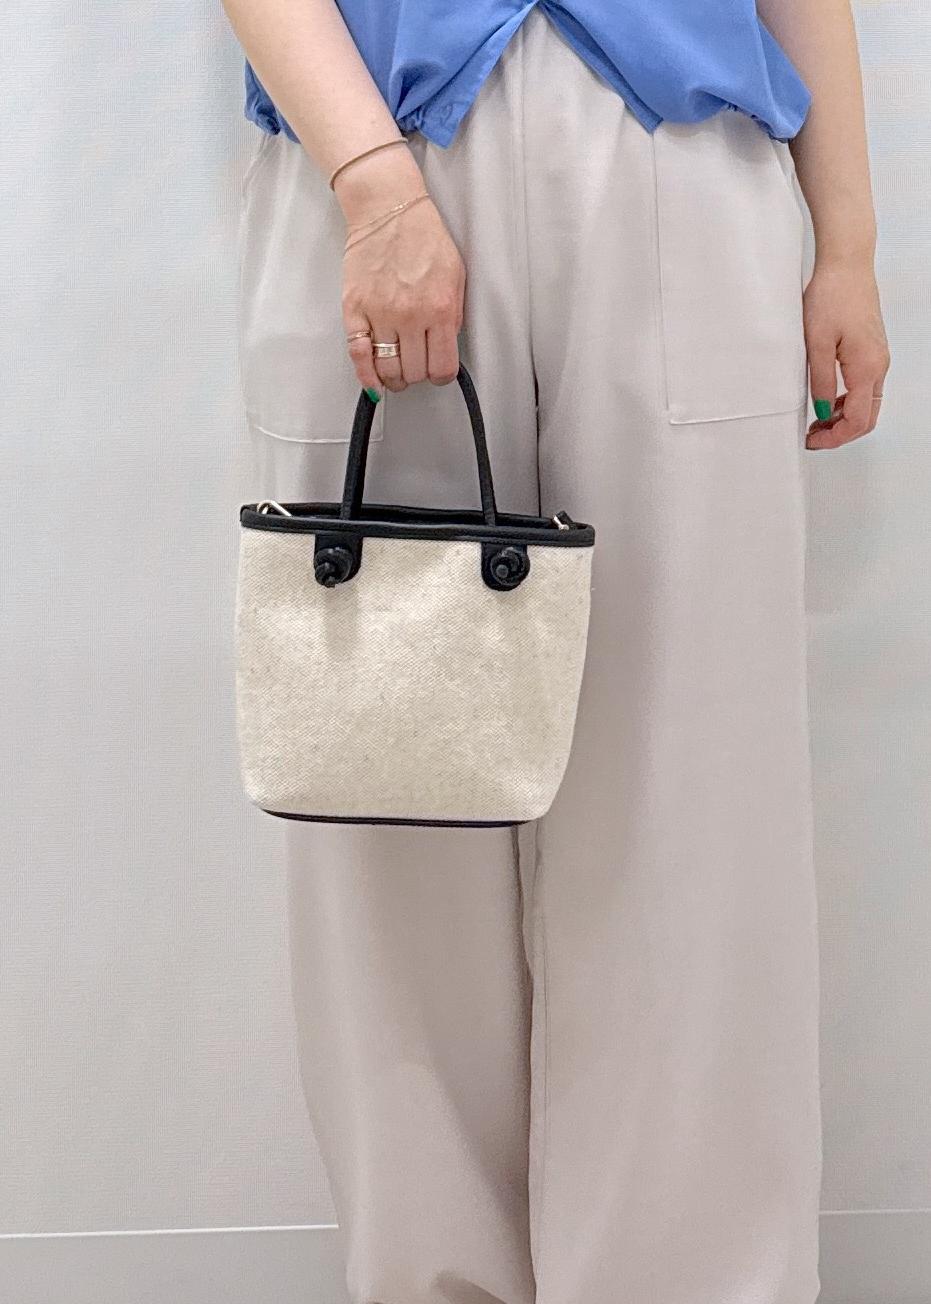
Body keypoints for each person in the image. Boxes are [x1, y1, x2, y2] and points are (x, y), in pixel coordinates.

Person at [221, 2, 890, 1301]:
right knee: (391, 788)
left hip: (683, 164)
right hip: (366, 152)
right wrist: (374, 187)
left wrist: (848, 243)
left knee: (692, 797)